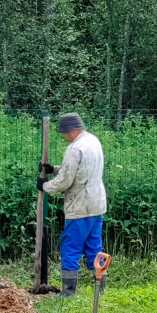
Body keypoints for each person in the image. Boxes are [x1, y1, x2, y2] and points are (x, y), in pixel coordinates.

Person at [36, 112, 107, 297]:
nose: (65, 137)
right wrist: (53, 169)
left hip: (80, 205)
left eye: (64, 133)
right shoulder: (92, 141)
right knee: (94, 247)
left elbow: (66, 181)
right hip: (97, 203)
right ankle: (100, 288)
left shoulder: (75, 149)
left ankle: (67, 292)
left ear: (70, 130)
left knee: (70, 246)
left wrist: (45, 185)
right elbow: (80, 171)